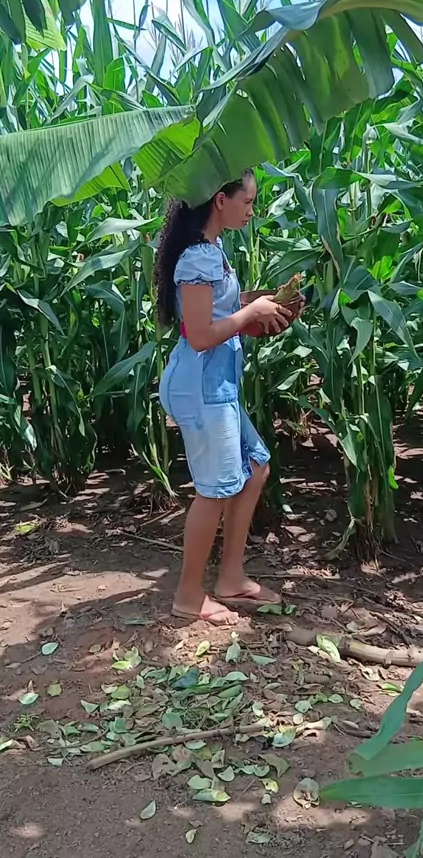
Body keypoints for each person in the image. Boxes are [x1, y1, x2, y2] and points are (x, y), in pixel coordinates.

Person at [154, 169, 292, 626]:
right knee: (213, 491)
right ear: (220, 200)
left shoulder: (212, 249)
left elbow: (217, 309)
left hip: (218, 386)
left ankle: (230, 577)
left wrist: (262, 304)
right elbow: (199, 336)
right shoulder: (197, 257)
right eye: (247, 202)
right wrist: (250, 313)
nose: (252, 211)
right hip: (200, 387)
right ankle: (188, 597)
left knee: (255, 467)